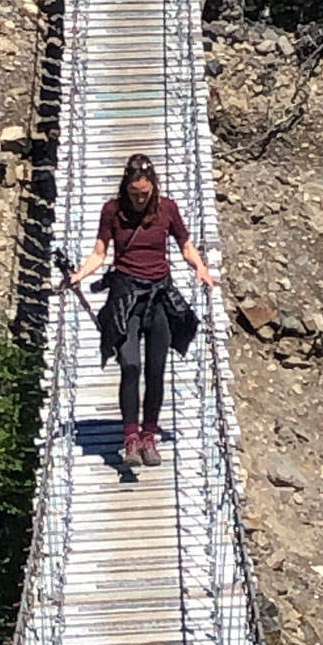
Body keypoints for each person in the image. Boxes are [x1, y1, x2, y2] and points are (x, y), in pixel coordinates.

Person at [69, 153, 215, 469]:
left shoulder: (167, 210)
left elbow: (185, 245)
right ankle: (130, 438)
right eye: (134, 193)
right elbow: (99, 251)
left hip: (159, 296)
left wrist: (200, 268)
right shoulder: (112, 211)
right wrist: (80, 274)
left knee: (156, 371)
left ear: (153, 188)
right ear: (126, 187)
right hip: (126, 297)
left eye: (144, 193)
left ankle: (149, 437)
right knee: (130, 365)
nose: (139, 198)